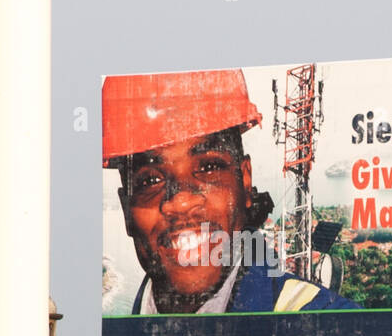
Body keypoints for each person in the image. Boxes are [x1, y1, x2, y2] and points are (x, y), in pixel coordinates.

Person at [102, 70, 358, 314]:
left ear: (245, 182)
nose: (180, 202)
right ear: (126, 211)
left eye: (208, 167)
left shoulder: (330, 323)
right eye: (151, 180)